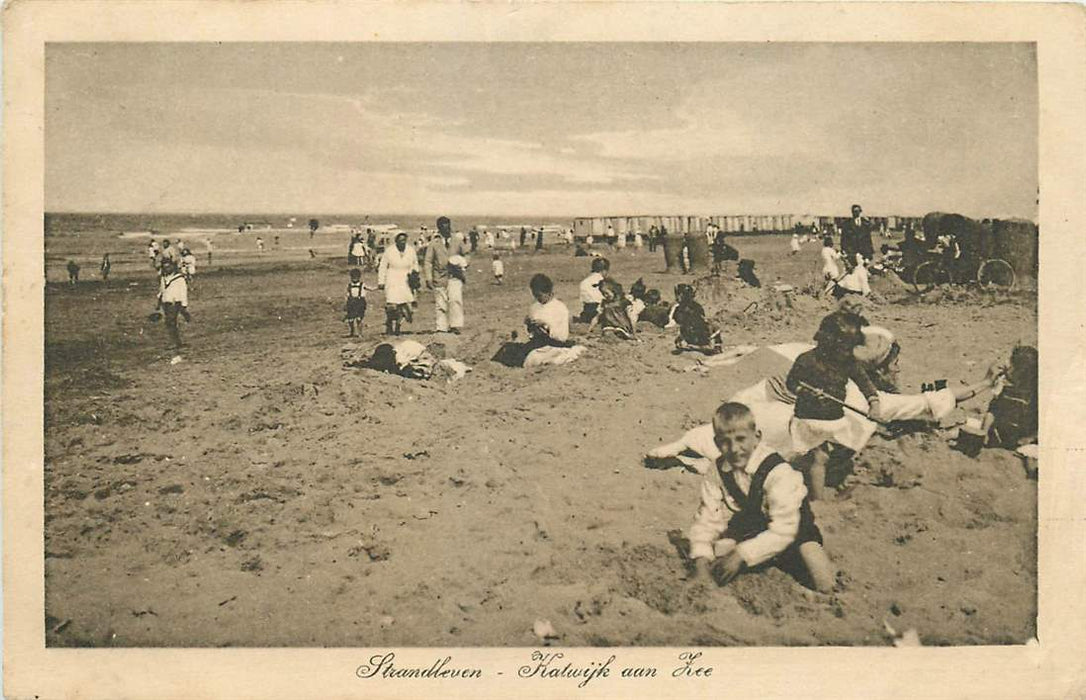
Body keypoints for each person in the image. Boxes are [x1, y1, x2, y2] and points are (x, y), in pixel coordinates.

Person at [646, 402, 835, 593]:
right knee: (713, 555)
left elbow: (784, 530)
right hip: (754, 523)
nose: (735, 449)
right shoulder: (717, 470)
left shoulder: (778, 472)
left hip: (792, 527)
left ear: (757, 437)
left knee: (823, 582)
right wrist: (701, 566)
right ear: (717, 443)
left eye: (741, 439)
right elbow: (707, 519)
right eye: (725, 442)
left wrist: (741, 555)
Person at [785, 312, 881, 500]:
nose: (848, 353)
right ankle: (819, 501)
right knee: (819, 457)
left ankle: (827, 478)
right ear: (828, 343)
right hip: (809, 420)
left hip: (835, 419)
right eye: (845, 348)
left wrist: (874, 403)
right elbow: (791, 383)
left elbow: (865, 383)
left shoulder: (847, 362)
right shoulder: (807, 360)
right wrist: (806, 392)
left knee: (846, 452)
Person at [982, 345, 1038, 448]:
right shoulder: (1006, 388)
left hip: (1023, 439)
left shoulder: (1034, 396)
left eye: (1010, 364)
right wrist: (984, 432)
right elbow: (993, 410)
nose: (1005, 365)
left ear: (1021, 372)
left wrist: (1030, 438)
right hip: (1000, 434)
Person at [423, 216, 470, 334]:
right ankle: (441, 327)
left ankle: (455, 325)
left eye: (448, 226)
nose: (447, 229)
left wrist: (463, 264)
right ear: (439, 228)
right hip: (439, 276)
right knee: (440, 303)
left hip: (455, 276)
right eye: (443, 227)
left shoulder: (457, 241)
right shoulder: (434, 243)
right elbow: (428, 261)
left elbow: (467, 254)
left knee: (455, 300)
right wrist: (428, 278)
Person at [377, 231, 419, 336]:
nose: (402, 243)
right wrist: (381, 281)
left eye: (404, 240)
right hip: (392, 279)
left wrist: (415, 279)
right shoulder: (389, 251)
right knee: (392, 305)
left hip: (406, 280)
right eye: (400, 240)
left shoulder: (411, 250)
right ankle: (390, 323)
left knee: (404, 305)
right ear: (396, 241)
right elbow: (382, 266)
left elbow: (415, 265)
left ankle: (398, 326)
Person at [672, 283, 722, 355]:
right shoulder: (697, 307)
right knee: (714, 326)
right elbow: (702, 321)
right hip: (700, 336)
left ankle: (691, 346)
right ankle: (717, 346)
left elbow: (676, 321)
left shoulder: (678, 308)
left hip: (688, 336)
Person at [155, 258, 191, 350]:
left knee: (170, 322)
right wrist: (159, 303)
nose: (167, 269)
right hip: (165, 303)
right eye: (165, 267)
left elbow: (183, 291)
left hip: (175, 303)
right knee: (169, 322)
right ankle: (176, 342)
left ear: (172, 267)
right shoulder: (163, 278)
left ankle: (174, 343)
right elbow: (161, 290)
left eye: (168, 267)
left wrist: (184, 304)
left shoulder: (179, 278)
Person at [345, 267, 377, 338]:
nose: (354, 279)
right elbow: (347, 295)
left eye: (356, 277)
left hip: (360, 302)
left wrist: (378, 287)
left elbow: (371, 288)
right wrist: (346, 304)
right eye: (353, 277)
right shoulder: (349, 285)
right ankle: (352, 332)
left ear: (359, 277)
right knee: (350, 319)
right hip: (351, 302)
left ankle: (360, 333)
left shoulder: (362, 285)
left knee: (359, 318)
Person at [577, 257, 609, 323]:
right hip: (600, 313)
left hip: (586, 313)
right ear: (604, 271)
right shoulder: (604, 282)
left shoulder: (584, 282)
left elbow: (583, 300)